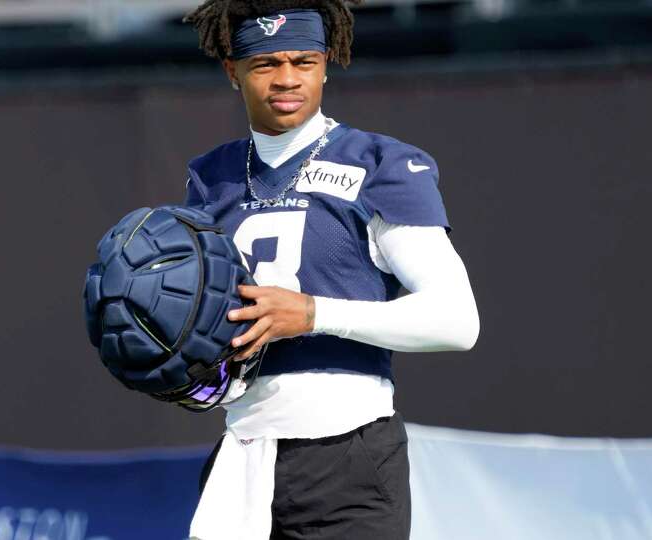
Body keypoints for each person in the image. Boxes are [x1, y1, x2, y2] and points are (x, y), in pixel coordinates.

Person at [179, 1, 481, 539]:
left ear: (327, 62)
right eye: (266, 64)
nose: (287, 79)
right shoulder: (211, 178)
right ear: (233, 71)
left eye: (304, 60)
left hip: (349, 455)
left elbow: (457, 320)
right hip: (242, 454)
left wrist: (314, 314)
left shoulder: (379, 164)